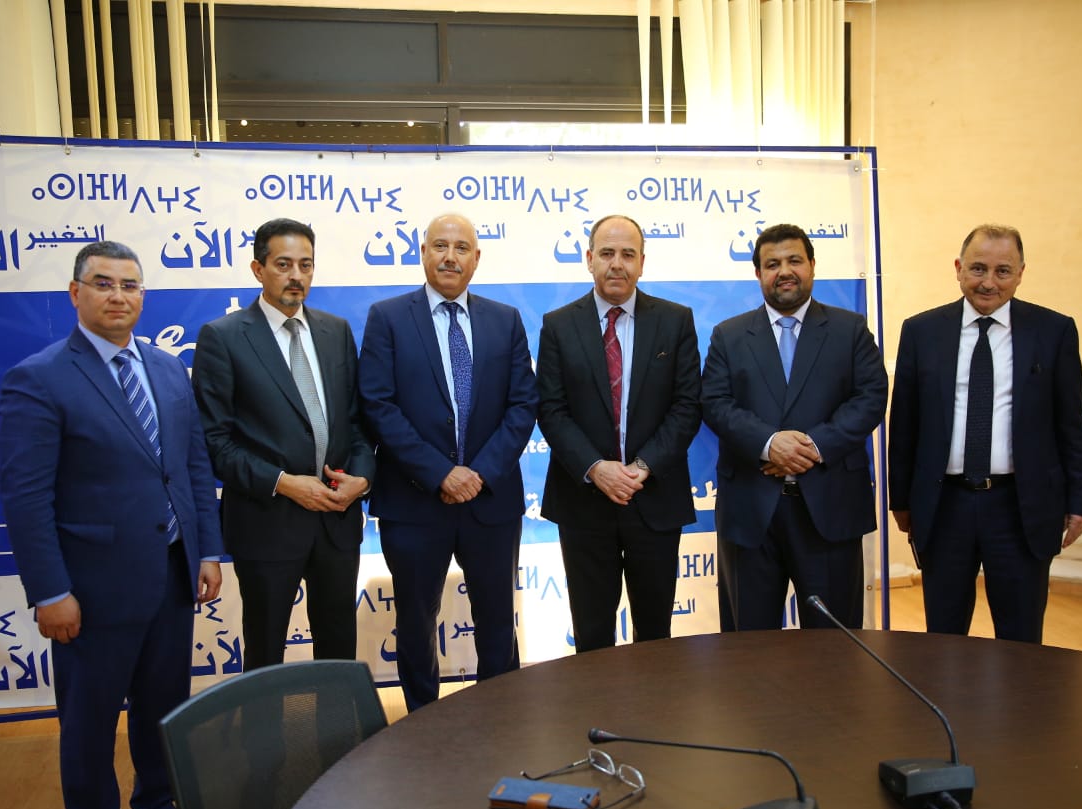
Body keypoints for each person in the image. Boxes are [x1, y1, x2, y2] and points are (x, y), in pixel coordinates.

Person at [0, 241, 223, 809]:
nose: (118, 295)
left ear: (143, 295)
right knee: (90, 723)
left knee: (164, 710)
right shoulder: (39, 378)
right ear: (75, 293)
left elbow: (192, 468)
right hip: (91, 590)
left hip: (171, 575)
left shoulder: (168, 369)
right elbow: (26, 499)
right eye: (103, 283)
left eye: (130, 285)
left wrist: (206, 550)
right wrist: (50, 591)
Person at [357, 212, 537, 711]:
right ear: (423, 253)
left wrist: (478, 474)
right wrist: (440, 473)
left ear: (476, 258)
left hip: (490, 500)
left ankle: (499, 718)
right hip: (414, 503)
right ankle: (423, 724)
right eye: (440, 246)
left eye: (461, 248)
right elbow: (378, 404)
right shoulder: (388, 317)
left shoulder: (505, 320)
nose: (450, 257)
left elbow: (524, 403)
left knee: (497, 621)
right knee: (416, 623)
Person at [888, 224, 1082, 643]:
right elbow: (904, 424)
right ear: (958, 268)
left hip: (1021, 507)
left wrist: (1078, 501)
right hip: (944, 507)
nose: (988, 282)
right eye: (978, 268)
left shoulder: (1053, 331)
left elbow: (1071, 425)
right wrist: (902, 501)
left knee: (1021, 640)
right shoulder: (921, 331)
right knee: (943, 637)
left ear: (1021, 274)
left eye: (1003, 271)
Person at [192, 218, 375, 670]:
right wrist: (284, 483)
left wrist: (362, 479)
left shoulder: (336, 331)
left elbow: (358, 423)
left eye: (305, 265)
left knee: (338, 651)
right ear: (258, 269)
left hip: (336, 520)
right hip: (267, 522)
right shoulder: (224, 337)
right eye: (283, 264)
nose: (296, 275)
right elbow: (216, 443)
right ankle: (267, 723)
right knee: (266, 653)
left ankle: (337, 721)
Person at [701, 223, 887, 630]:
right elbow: (715, 403)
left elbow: (871, 397)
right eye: (772, 264)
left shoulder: (850, 329)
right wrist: (769, 444)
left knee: (834, 645)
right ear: (758, 274)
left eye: (794, 261)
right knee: (750, 644)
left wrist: (813, 447)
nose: (784, 271)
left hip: (830, 506)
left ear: (812, 266)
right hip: (751, 512)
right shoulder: (729, 336)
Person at [536, 214, 702, 652]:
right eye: (607, 253)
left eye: (628, 254)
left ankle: (653, 702)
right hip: (583, 503)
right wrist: (597, 468)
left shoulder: (675, 321)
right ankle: (596, 701)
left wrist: (642, 467)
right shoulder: (558, 325)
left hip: (655, 499)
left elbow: (687, 406)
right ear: (589, 259)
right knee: (592, 638)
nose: (617, 264)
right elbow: (551, 409)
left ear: (642, 263)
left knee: (655, 637)